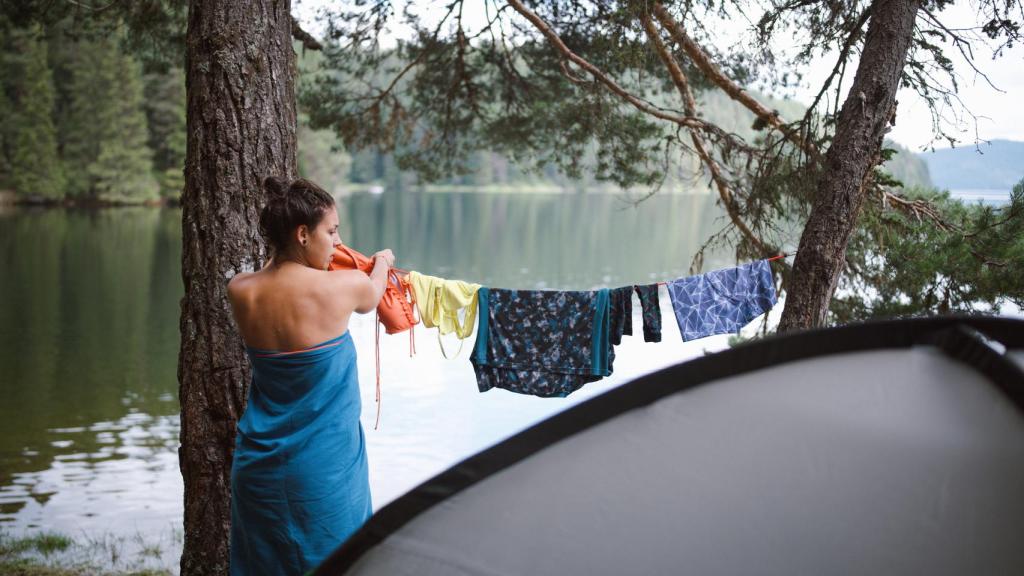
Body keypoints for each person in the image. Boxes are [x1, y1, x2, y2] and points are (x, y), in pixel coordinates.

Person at [225, 176, 394, 575]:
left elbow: (279, 273)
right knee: (339, 563)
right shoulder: (345, 286)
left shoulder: (241, 289)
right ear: (302, 234)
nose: (338, 242)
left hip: (259, 466)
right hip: (325, 471)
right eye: (331, 232)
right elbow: (373, 295)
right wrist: (383, 262)